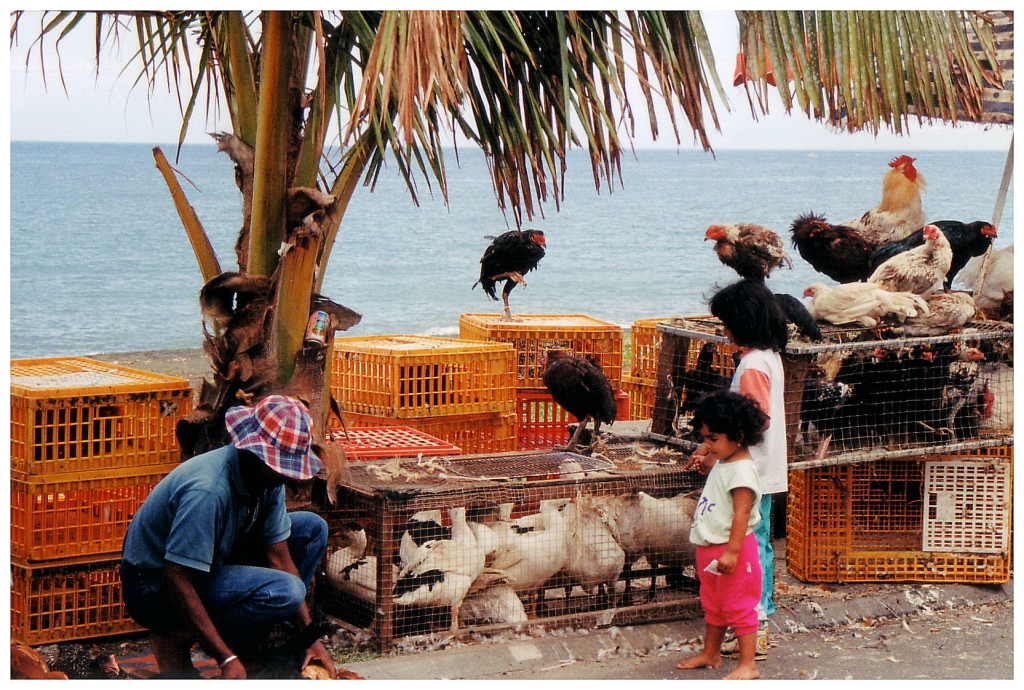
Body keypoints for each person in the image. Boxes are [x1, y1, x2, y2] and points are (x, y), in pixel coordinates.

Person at [120, 395, 337, 679]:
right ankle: (176, 636)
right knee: (286, 591)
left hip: (209, 563)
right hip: (153, 585)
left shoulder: (267, 480)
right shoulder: (208, 491)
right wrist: (226, 658)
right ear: (255, 453)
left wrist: (311, 639)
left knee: (311, 530)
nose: (287, 478)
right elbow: (177, 578)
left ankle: (254, 644)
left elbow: (278, 556)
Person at [686, 278, 788, 658]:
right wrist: (709, 449)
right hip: (767, 468)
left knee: (750, 551)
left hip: (751, 474)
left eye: (726, 322)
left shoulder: (751, 365)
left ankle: (754, 625)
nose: (724, 330)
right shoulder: (770, 357)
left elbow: (752, 420)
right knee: (761, 547)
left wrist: (714, 453)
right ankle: (754, 619)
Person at [677, 389, 765, 680]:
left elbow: (742, 512)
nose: (707, 445)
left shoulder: (742, 471)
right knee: (713, 605)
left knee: (739, 606)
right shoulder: (726, 462)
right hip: (710, 547)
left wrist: (732, 552)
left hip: (732, 550)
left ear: (738, 435)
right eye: (705, 438)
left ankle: (748, 664)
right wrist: (708, 461)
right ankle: (711, 653)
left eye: (712, 439)